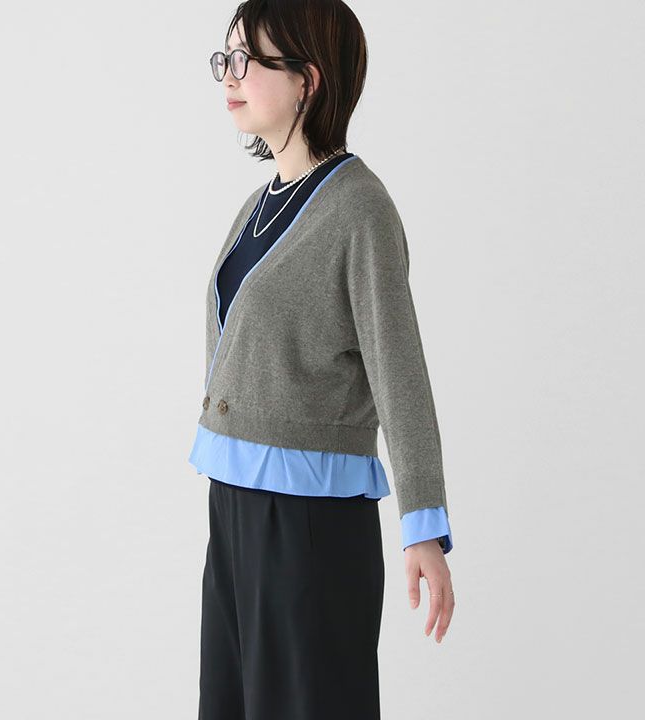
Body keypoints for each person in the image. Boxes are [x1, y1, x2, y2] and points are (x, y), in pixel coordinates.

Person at [189, 2, 456, 718]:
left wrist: (423, 522)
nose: (228, 76)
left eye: (247, 59)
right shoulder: (259, 204)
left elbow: (399, 369)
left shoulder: (359, 209)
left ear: (307, 79)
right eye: (225, 58)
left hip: (307, 522)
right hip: (235, 508)